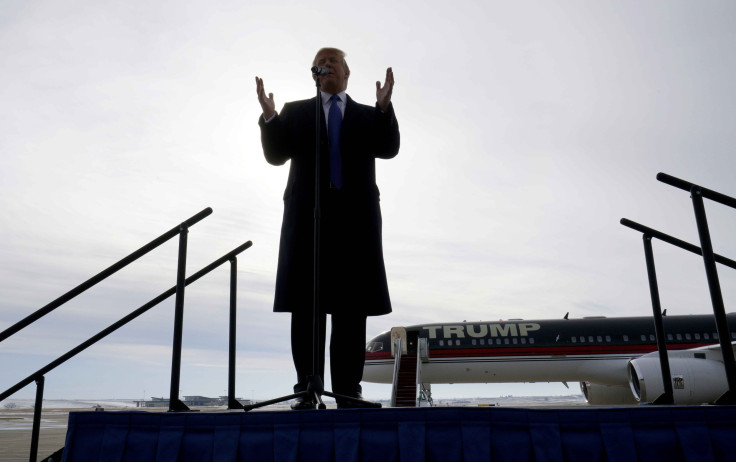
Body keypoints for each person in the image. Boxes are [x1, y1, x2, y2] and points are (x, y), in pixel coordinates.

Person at [255, 47, 400, 409]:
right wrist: (270, 118)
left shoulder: (368, 115)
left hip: (356, 226)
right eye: (322, 60)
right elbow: (276, 156)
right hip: (308, 222)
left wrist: (384, 110)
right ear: (315, 72)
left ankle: (349, 391)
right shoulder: (297, 112)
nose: (328, 64)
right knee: (306, 309)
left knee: (351, 311)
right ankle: (307, 389)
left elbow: (389, 148)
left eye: (334, 60)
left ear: (346, 73)